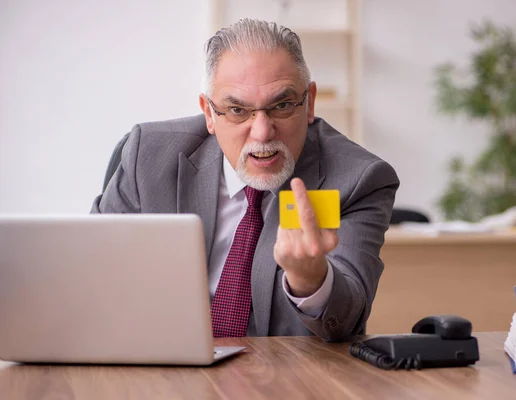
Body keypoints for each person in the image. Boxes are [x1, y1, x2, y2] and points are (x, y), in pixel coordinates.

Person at [92, 18, 399, 341]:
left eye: (281, 106)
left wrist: (311, 280)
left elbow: (346, 319)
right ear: (209, 113)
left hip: (285, 382)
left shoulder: (357, 179)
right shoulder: (149, 156)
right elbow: (93, 270)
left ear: (309, 102)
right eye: (237, 110)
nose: (263, 132)